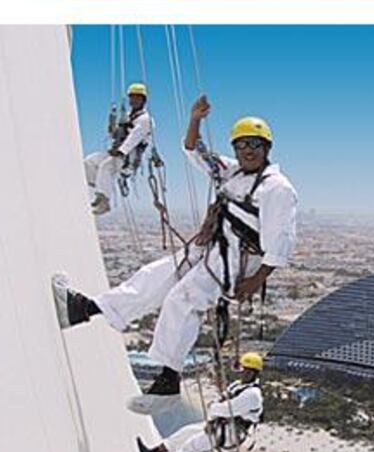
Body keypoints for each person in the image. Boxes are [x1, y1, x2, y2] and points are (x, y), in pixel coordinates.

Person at [52, 94, 297, 414]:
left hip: (236, 261)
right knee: (155, 276)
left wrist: (254, 280)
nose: (247, 150)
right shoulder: (233, 173)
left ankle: (168, 380)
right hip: (211, 247)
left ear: (267, 148)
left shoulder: (277, 188)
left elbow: (280, 243)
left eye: (254, 144)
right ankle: (84, 309)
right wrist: (195, 119)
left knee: (183, 299)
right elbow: (195, 150)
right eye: (242, 144)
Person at [136, 352, 264, 452]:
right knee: (184, 433)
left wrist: (214, 409)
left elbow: (226, 409)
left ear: (254, 373)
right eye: (243, 370)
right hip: (220, 423)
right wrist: (212, 417)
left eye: (248, 371)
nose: (243, 373)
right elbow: (221, 400)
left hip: (229, 432)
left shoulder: (252, 395)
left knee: (192, 447)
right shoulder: (238, 385)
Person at [84, 82, 153, 215]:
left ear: (143, 100)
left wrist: (121, 151)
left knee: (106, 166)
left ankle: (104, 201)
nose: (134, 100)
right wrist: (113, 128)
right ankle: (99, 190)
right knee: (89, 162)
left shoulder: (145, 120)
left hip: (129, 158)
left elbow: (134, 137)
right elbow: (118, 134)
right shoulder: (127, 116)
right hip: (117, 154)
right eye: (132, 97)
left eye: (137, 97)